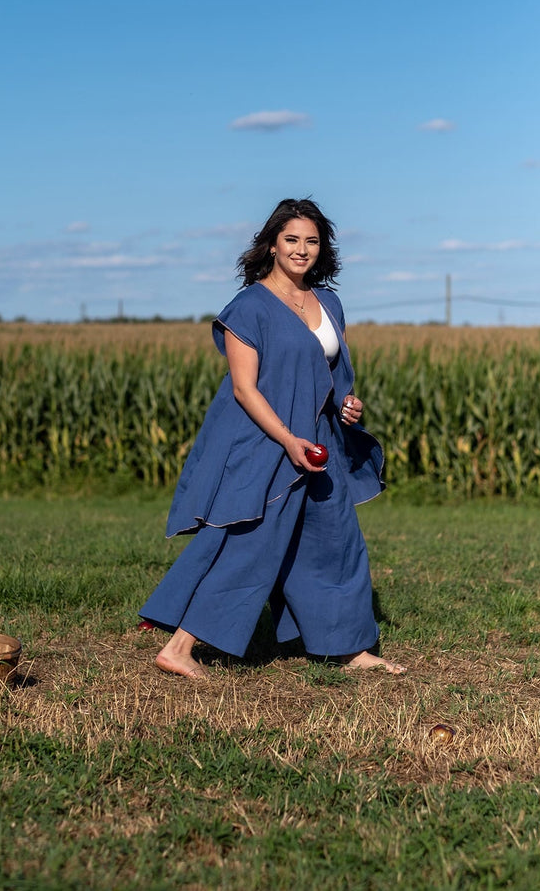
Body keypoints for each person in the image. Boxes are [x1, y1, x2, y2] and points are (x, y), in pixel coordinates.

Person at [139, 198, 406, 678]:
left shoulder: (329, 303)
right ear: (271, 245)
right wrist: (286, 439)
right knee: (250, 542)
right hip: (264, 439)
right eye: (291, 240)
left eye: (311, 241)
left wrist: (346, 404)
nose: (301, 250)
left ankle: (348, 647)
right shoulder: (249, 308)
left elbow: (325, 374)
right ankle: (179, 647)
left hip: (320, 439)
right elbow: (244, 389)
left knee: (335, 538)